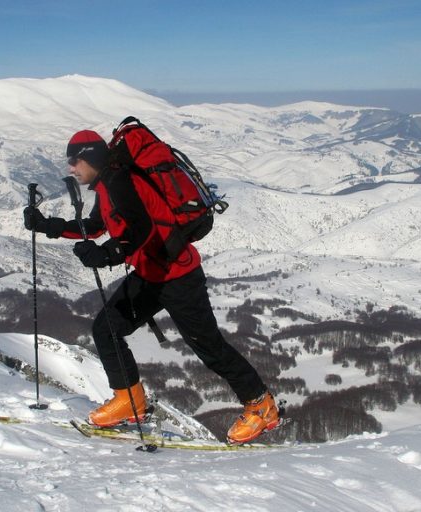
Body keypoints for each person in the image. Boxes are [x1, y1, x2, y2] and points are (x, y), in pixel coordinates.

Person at [23, 128, 279, 444]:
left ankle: (261, 405)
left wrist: (106, 255)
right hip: (150, 274)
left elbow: (141, 231)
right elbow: (96, 226)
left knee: (209, 347)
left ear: (90, 157)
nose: (71, 169)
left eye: (74, 161)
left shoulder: (120, 183)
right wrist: (48, 226)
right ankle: (130, 402)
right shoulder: (108, 185)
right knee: (106, 328)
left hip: (178, 276)